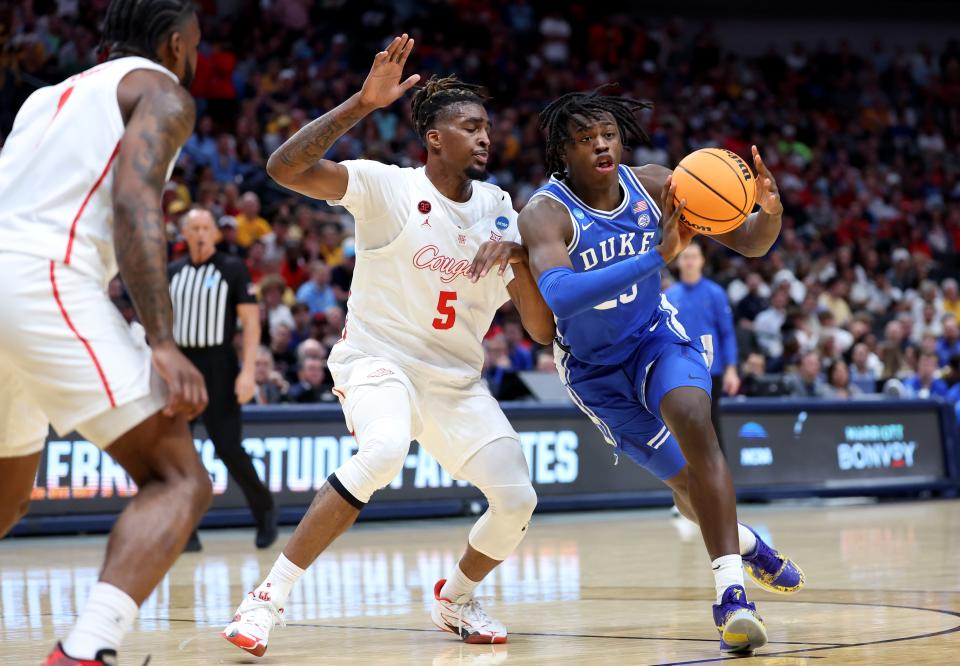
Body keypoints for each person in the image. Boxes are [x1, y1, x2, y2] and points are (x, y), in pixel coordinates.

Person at [223, 36, 554, 656]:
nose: (485, 138)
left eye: (488, 128)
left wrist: (521, 257)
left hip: (456, 381)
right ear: (434, 137)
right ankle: (266, 597)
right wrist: (360, 104)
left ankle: (455, 598)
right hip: (379, 361)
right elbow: (283, 170)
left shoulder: (502, 209)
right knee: (382, 451)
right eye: (470, 127)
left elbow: (539, 330)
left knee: (517, 498)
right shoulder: (386, 187)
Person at [520, 89, 803, 655]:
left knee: (695, 421)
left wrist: (768, 212)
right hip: (595, 371)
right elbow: (561, 295)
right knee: (683, 483)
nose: (600, 143)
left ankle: (732, 597)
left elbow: (748, 242)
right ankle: (746, 544)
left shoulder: (654, 184)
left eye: (607, 133)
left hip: (654, 336)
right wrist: (656, 255)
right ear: (562, 153)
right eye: (583, 138)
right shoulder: (544, 214)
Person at [0, 2, 212, 664]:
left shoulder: (45, 100)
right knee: (180, 478)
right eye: (197, 47)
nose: (196, 60)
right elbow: (134, 201)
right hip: (43, 277)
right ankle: (88, 649)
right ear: (177, 45)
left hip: (14, 273)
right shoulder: (162, 90)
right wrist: (161, 339)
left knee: (3, 499)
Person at [169, 208, 277, 552]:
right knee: (180, 453)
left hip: (219, 364)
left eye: (205, 227)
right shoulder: (172, 272)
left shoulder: (232, 268)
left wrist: (247, 372)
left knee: (228, 446)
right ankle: (186, 528)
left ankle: (265, 512)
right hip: (182, 365)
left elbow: (251, 325)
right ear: (184, 233)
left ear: (215, 233)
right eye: (194, 227)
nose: (200, 233)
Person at [666, 242, 739, 446]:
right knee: (681, 427)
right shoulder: (669, 296)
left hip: (710, 370)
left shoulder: (715, 293)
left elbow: (727, 333)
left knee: (710, 424)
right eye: (685, 256)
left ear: (702, 261)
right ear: (678, 261)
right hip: (678, 372)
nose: (689, 261)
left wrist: (731, 369)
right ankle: (688, 477)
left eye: (694, 256)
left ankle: (719, 475)